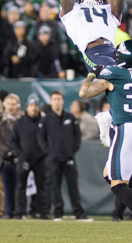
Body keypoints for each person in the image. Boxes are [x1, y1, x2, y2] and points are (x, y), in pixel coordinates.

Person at [78, 39, 132, 237]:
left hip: (126, 131)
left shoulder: (114, 73)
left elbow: (84, 93)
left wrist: (92, 75)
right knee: (108, 173)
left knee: (117, 183)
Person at [59, 0, 125, 96]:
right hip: (93, 52)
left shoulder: (107, 9)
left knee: (130, 83)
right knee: (117, 81)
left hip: (113, 50)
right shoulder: (71, 10)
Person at [37, 91, 91, 222]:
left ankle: (79, 213)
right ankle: (57, 213)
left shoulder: (70, 118)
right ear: (51, 101)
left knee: (73, 187)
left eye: (59, 99)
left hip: (68, 158)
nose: (56, 101)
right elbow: (40, 137)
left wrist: (72, 151)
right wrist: (48, 152)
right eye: (54, 99)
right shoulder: (46, 119)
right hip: (53, 159)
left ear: (62, 101)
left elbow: (77, 136)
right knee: (55, 187)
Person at [9, 94, 49, 220]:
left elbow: (49, 139)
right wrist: (20, 153)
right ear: (26, 107)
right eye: (31, 105)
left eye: (36, 105)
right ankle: (19, 212)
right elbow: (12, 141)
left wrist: (45, 152)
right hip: (24, 159)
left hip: (40, 159)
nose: (34, 108)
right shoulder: (19, 123)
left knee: (41, 187)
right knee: (20, 186)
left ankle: (40, 212)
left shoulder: (44, 122)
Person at [0, 94, 24, 219]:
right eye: (8, 104)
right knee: (6, 187)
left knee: (21, 186)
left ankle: (20, 212)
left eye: (13, 104)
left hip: (20, 158)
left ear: (17, 105)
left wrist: (17, 152)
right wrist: (8, 152)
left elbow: (25, 138)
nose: (11, 107)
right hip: (3, 160)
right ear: (4, 105)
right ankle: (9, 212)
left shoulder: (23, 119)